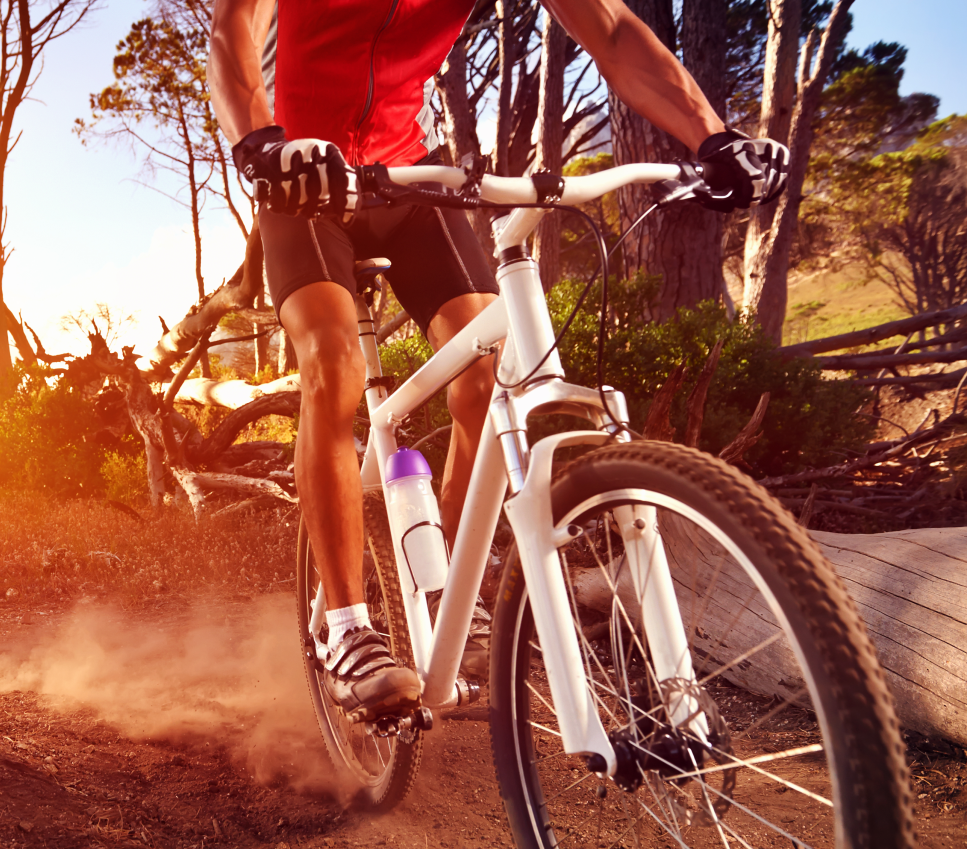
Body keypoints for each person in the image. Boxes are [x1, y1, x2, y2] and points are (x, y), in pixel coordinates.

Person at [208, 0, 789, 721]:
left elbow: (611, 31)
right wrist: (260, 144)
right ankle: (347, 627)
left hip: (408, 175)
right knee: (334, 365)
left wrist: (713, 137)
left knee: (488, 366)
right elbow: (234, 26)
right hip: (303, 178)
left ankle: (451, 592)